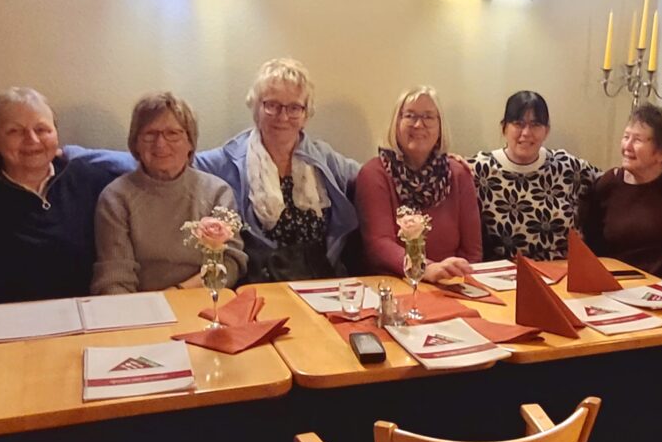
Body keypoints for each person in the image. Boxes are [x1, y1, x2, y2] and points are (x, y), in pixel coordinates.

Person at [194, 58, 360, 282]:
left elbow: (371, 176)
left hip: (322, 284)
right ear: (256, 107)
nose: (283, 117)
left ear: (305, 114)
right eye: (272, 105)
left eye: (294, 108)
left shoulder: (323, 159)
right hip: (260, 287)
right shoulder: (227, 162)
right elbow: (177, 165)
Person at [0, 87, 134, 304]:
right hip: (6, 323)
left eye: (42, 129)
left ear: (56, 133)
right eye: (14, 131)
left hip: (88, 315)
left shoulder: (93, 181)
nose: (32, 140)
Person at [91, 93, 246, 294]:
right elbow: (115, 278)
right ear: (135, 143)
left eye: (173, 133)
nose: (160, 144)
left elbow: (230, 262)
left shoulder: (217, 191)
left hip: (203, 299)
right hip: (141, 306)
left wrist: (176, 294)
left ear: (190, 142)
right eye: (149, 134)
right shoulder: (116, 198)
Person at [356, 86, 482, 283]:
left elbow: (472, 251)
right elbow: (378, 245)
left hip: (452, 285)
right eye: (410, 115)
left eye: (428, 117)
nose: (418, 124)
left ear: (440, 127)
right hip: (395, 283)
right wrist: (425, 269)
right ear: (396, 124)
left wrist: (456, 277)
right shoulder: (374, 174)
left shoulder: (459, 174)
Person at [579, 104, 662, 278]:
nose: (627, 146)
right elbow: (591, 244)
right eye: (626, 137)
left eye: (638, 140)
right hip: (615, 285)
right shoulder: (607, 184)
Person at [469, 91, 600, 260]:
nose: (526, 132)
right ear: (504, 128)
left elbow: (611, 183)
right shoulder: (480, 169)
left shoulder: (567, 166)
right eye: (518, 123)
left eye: (535, 124)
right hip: (505, 276)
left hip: (563, 274)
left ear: (546, 131)